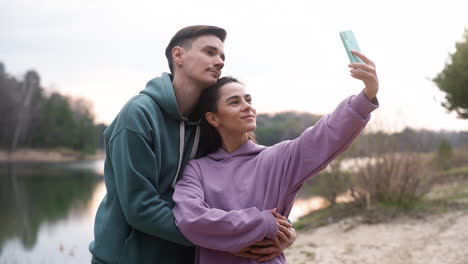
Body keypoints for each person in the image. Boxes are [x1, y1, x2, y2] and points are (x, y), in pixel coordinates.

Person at [89, 25, 295, 264]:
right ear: (179, 56)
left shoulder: (208, 120)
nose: (219, 62)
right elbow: (140, 208)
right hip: (128, 257)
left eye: (222, 57)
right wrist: (226, 238)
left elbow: (239, 185)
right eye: (210, 52)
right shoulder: (137, 116)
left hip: (186, 257)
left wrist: (284, 231)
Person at [172, 50, 379, 263]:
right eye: (235, 102)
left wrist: (367, 95)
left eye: (248, 100)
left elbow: (325, 135)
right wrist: (263, 224)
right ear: (213, 118)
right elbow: (190, 219)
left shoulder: (278, 158)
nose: (247, 107)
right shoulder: (197, 169)